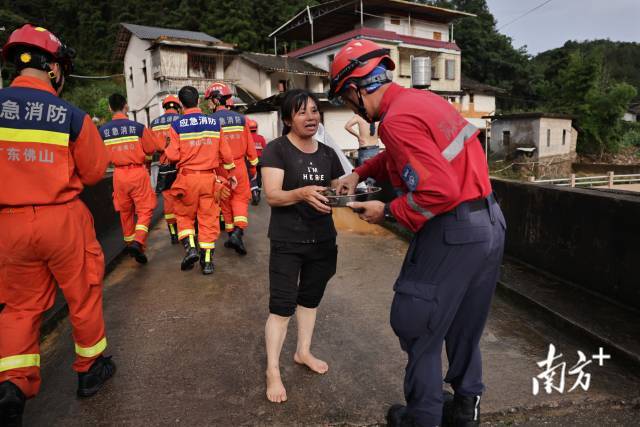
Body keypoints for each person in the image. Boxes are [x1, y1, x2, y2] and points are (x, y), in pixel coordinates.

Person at [330, 39, 506, 427]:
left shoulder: (395, 121)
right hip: (490, 222)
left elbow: (439, 191)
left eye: (345, 98)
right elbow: (401, 155)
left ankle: (423, 417)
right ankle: (466, 408)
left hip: (452, 230)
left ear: (356, 89)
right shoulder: (423, 102)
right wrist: (358, 173)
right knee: (463, 323)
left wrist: (388, 211)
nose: (349, 106)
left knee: (417, 322)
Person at [0, 24, 116, 426]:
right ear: (53, 68)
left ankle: (12, 386)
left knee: (19, 306)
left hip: (9, 225)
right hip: (62, 218)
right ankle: (90, 370)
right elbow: (95, 171)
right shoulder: (72, 116)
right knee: (83, 294)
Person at [261, 89, 344, 404]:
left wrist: (354, 197)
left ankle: (303, 352)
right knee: (282, 307)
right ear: (287, 119)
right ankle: (272, 370)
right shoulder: (277, 150)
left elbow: (337, 191)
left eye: (314, 111)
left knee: (310, 300)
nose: (311, 117)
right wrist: (301, 193)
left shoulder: (327, 153)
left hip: (322, 239)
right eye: (301, 112)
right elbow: (272, 195)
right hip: (288, 240)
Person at [165, 86, 237, 274]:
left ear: (181, 104)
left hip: (187, 179)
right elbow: (226, 154)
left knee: (184, 216)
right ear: (198, 100)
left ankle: (190, 249)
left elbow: (172, 155)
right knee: (208, 219)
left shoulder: (177, 125)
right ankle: (207, 263)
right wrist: (231, 173)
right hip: (209, 179)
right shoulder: (214, 123)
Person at [100, 94, 160, 264]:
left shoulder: (103, 131)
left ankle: (131, 246)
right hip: (137, 173)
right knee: (145, 209)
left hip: (118, 175)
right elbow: (151, 149)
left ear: (110, 108)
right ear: (125, 106)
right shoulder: (138, 128)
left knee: (125, 212)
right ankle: (138, 242)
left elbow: (100, 157)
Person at [206, 82, 258, 255]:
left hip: (219, 168)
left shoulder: (209, 121)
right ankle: (237, 234)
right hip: (239, 166)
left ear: (215, 100)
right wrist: (253, 168)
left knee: (225, 201)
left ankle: (232, 235)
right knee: (240, 199)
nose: (208, 104)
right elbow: (250, 147)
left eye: (209, 100)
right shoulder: (241, 119)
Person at [150, 94, 182, 244]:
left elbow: (152, 147)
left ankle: (173, 233)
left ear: (164, 108)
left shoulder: (154, 123)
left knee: (168, 201)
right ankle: (186, 231)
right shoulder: (182, 120)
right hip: (180, 164)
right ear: (178, 107)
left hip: (164, 166)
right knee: (183, 198)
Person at [247, 118, 266, 205]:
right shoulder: (261, 138)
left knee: (252, 177)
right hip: (260, 160)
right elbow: (265, 150)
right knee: (258, 177)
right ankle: (258, 193)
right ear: (256, 128)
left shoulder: (247, 138)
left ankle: (254, 193)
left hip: (250, 160)